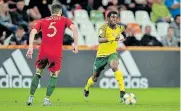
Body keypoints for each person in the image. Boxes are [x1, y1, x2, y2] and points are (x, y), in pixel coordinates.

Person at [26, 3, 78, 106]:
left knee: (38, 73)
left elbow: (32, 32)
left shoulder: (43, 20)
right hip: (55, 53)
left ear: (51, 12)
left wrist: (30, 47)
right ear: (60, 12)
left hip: (43, 52)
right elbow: (74, 29)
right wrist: (76, 44)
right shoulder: (63, 19)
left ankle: (30, 98)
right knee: (54, 75)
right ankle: (46, 100)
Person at [84, 11, 126, 102]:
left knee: (115, 66)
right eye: (112, 17)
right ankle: (86, 88)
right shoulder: (103, 27)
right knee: (94, 78)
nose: (114, 19)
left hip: (112, 53)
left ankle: (122, 91)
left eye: (116, 17)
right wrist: (112, 38)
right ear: (108, 18)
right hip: (100, 56)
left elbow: (124, 33)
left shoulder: (120, 27)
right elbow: (100, 39)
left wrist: (124, 38)